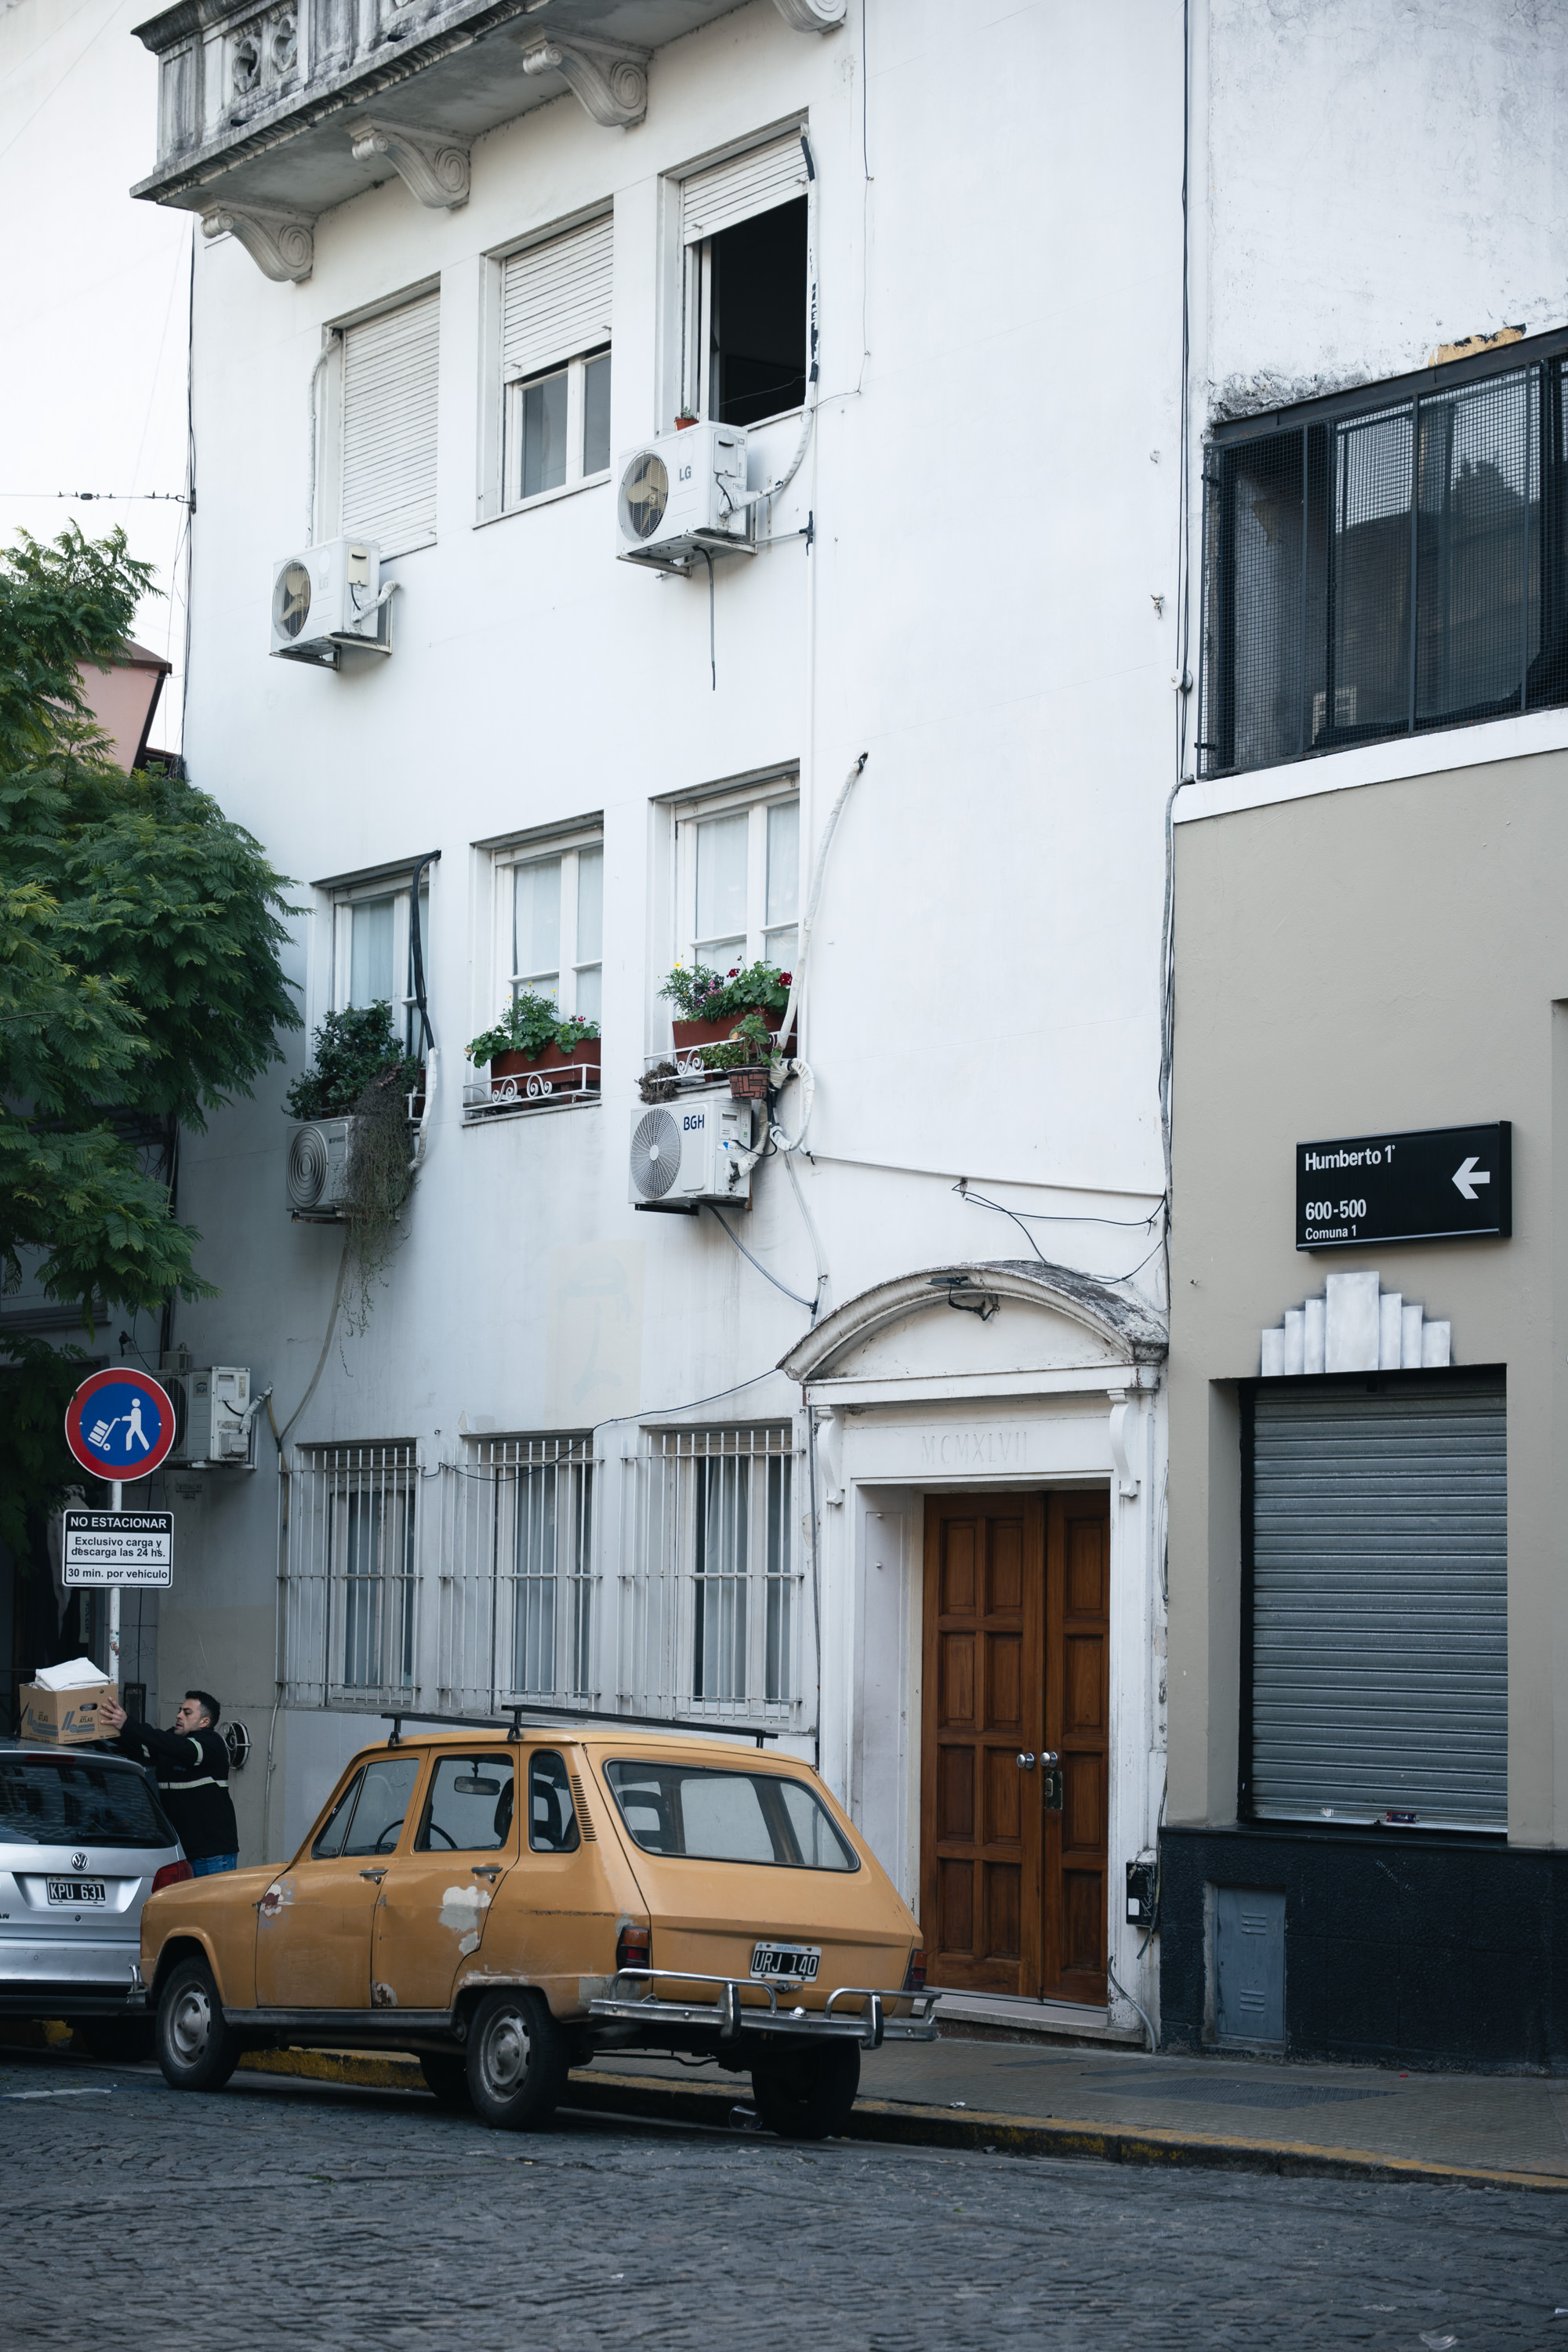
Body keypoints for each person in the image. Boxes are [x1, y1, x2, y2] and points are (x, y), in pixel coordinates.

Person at [98, 1689, 239, 1875]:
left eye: (187, 1713)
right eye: (180, 1710)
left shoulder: (211, 1743)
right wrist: (105, 1730)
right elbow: (145, 1748)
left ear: (205, 1722)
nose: (179, 1715)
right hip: (179, 1855)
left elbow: (179, 1749)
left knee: (210, 1905)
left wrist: (128, 1724)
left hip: (211, 1856)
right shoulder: (172, 1742)